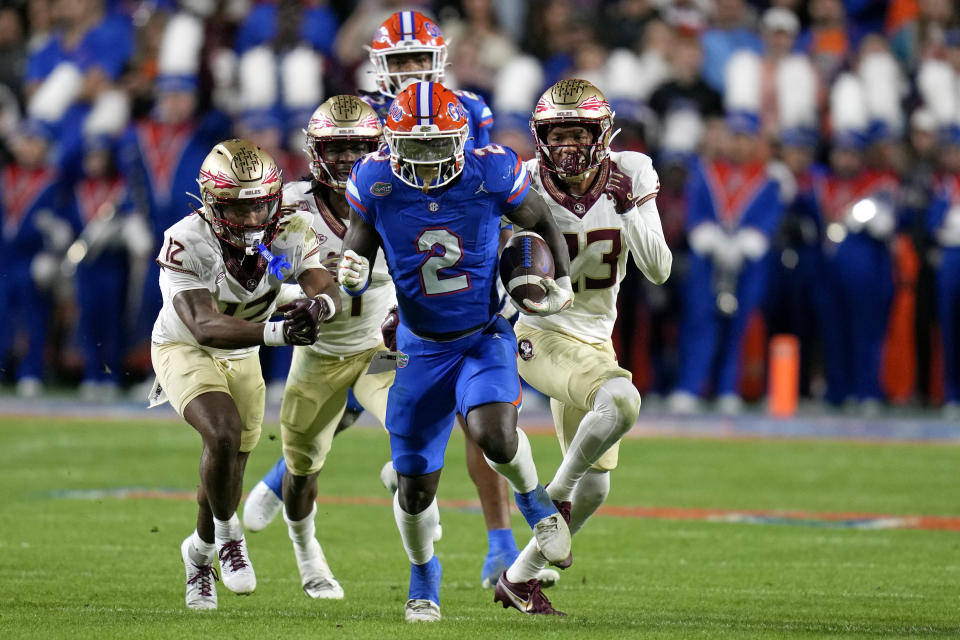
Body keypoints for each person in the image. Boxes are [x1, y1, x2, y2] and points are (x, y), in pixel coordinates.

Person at [244, 9, 550, 592]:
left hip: (432, 279)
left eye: (418, 60)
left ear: (438, 62)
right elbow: (328, 214)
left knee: (458, 404)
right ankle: (292, 471)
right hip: (375, 269)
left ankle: (499, 539)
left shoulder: (468, 112)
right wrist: (302, 272)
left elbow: (478, 197)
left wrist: (504, 269)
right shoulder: (356, 119)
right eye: (400, 61)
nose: (410, 72)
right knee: (360, 388)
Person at [339, 81, 573, 622]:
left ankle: (535, 503)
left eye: (435, 147)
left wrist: (561, 279)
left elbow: (541, 220)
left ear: (462, 139)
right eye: (413, 149)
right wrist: (350, 271)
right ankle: (425, 574)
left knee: (495, 432)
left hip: (481, 335)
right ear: (391, 144)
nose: (422, 162)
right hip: (417, 350)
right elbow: (358, 242)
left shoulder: (491, 172)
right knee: (415, 490)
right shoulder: (374, 180)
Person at [494, 79, 672, 616]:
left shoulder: (632, 172)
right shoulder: (523, 182)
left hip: (595, 342)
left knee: (595, 489)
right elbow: (499, 270)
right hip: (540, 332)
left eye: (579, 132)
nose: (568, 145)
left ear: (603, 134)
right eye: (558, 133)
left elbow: (659, 269)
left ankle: (518, 578)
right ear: (540, 136)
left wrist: (630, 208)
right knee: (621, 401)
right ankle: (549, 502)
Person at [150, 138, 340, 610]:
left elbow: (321, 280)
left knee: (228, 469)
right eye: (239, 207)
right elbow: (205, 325)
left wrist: (320, 306)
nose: (253, 219)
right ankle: (231, 534)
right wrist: (279, 332)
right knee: (222, 434)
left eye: (260, 206)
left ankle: (198, 555)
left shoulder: (292, 228)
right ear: (212, 203)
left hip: (244, 356)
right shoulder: (185, 240)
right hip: (185, 347)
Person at [247, 95, 391, 599]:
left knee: (415, 422)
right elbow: (257, 266)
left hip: (379, 345)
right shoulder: (287, 204)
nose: (349, 158)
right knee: (302, 464)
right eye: (338, 147)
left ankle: (421, 534)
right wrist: (299, 287)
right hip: (318, 352)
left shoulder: (396, 196)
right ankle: (309, 557)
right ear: (315, 151)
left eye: (359, 148)